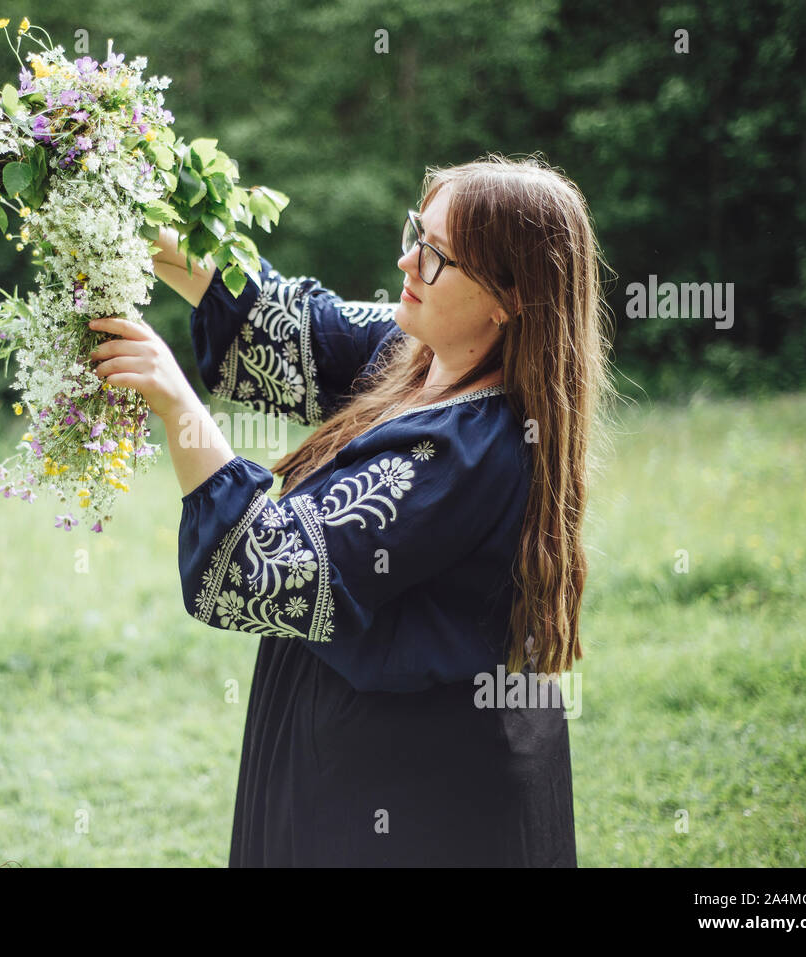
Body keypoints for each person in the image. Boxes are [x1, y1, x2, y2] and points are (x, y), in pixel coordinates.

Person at [86, 153, 613, 866]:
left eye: (435, 257)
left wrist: (174, 400)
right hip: (359, 747)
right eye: (413, 234)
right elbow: (281, 322)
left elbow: (260, 568)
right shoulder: (420, 354)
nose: (406, 262)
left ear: (510, 298)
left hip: (406, 785)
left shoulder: (465, 451)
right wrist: (132, 224)